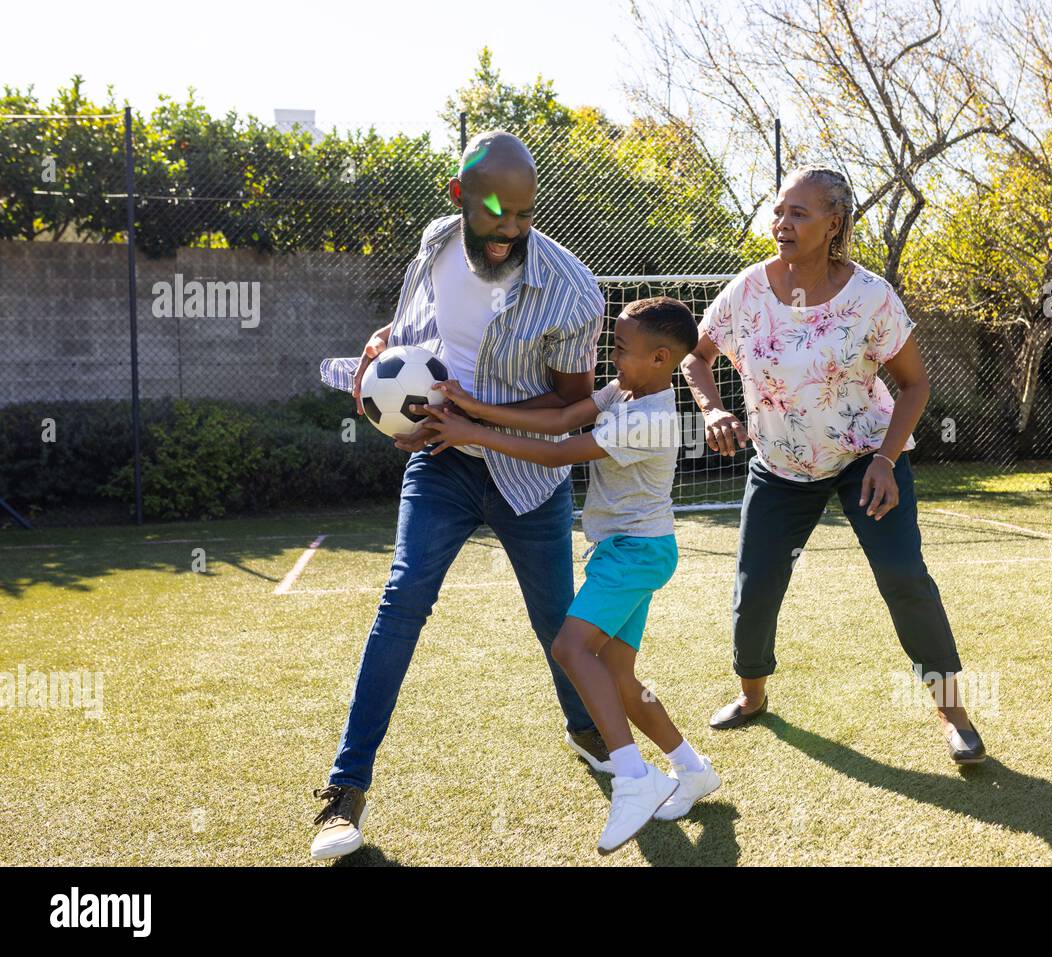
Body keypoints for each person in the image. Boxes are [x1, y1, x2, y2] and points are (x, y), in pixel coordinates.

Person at [310, 131, 617, 862]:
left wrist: (477, 411)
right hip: (442, 465)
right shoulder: (433, 244)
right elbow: (409, 334)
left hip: (526, 475)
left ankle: (587, 730)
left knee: (556, 617)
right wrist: (383, 367)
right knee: (404, 595)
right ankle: (344, 789)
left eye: (525, 213)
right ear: (457, 198)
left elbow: (575, 405)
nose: (511, 229)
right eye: (494, 212)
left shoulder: (573, 292)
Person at [680, 165, 987, 764]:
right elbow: (696, 359)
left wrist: (886, 458)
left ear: (833, 223)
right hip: (779, 467)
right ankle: (752, 697)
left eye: (798, 213)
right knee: (756, 586)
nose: (781, 223)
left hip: (865, 459)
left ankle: (956, 717)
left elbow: (915, 386)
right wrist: (714, 411)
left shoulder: (871, 297)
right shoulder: (746, 290)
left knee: (904, 577)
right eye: (778, 210)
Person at [423, 297, 722, 854]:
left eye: (621, 349)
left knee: (569, 647)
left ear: (660, 358)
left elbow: (559, 454)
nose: (612, 356)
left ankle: (634, 777)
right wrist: (475, 409)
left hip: (636, 552)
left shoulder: (650, 419)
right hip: (629, 550)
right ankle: (691, 767)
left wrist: (473, 435)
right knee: (621, 679)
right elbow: (563, 417)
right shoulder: (626, 391)